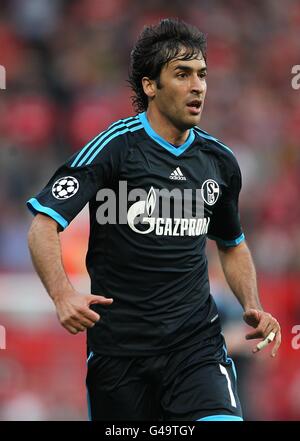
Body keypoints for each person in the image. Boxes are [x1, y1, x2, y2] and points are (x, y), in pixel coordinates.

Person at [27, 18, 281, 421]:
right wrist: (62, 295)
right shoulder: (115, 148)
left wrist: (253, 304)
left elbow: (232, 243)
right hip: (120, 355)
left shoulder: (219, 162)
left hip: (195, 348)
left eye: (202, 75)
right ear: (150, 86)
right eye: (182, 74)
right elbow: (43, 222)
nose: (197, 86)